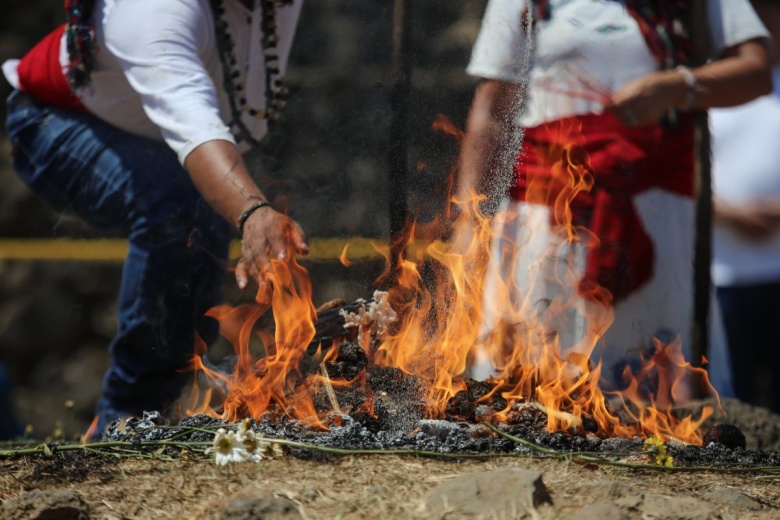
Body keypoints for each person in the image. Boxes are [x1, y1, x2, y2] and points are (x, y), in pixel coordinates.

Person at [2, 0, 309, 431]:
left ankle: (157, 415)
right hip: (53, 123)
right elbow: (196, 128)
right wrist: (254, 211)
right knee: (176, 205)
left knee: (194, 274)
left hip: (163, 144)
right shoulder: (153, 9)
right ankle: (122, 421)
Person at [450, 0, 771, 389]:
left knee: (658, 386)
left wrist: (677, 87)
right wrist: (470, 221)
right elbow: (493, 113)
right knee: (532, 377)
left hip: (656, 210)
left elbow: (756, 70)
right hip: (544, 215)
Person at [710, 0, 780, 412]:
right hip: (724, 275)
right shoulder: (709, 88)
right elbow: (688, 172)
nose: (765, 23)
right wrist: (732, 214)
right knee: (733, 398)